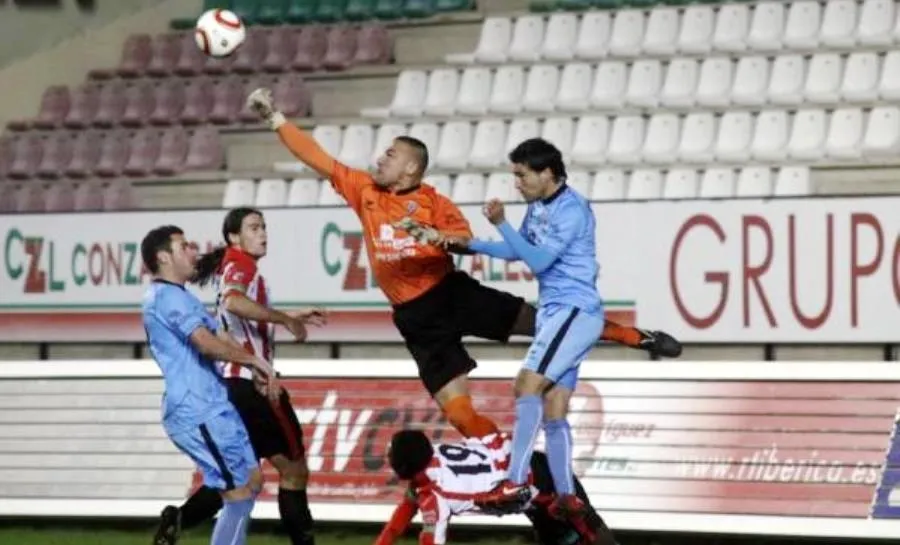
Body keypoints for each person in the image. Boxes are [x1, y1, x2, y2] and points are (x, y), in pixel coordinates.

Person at [245, 87, 681, 442]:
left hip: (451, 294)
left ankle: (632, 335)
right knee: (457, 413)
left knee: (546, 320)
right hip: (415, 318)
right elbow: (317, 157)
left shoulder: (435, 202)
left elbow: (460, 240)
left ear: (411, 167)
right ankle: (510, 464)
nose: (379, 160)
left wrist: (436, 239)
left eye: (390, 155)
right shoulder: (364, 190)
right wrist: (274, 118)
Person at [447, 139, 605, 521]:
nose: (516, 183)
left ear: (547, 172)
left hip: (573, 310)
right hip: (560, 313)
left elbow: (537, 261)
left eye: (521, 175)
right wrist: (469, 246)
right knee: (554, 407)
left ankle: (515, 482)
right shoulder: (539, 206)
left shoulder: (572, 209)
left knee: (525, 386)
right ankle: (568, 497)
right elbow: (519, 250)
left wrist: (500, 223)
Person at [153, 208, 326, 545]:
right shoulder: (242, 264)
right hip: (253, 387)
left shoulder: (233, 265)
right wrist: (284, 320)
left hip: (232, 387)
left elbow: (235, 314)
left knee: (241, 476)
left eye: (264, 227)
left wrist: (289, 315)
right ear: (234, 237)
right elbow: (233, 303)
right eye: (254, 227)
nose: (263, 233)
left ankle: (179, 518)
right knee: (293, 471)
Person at [141, 224, 278, 545]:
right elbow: (205, 343)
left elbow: (220, 335)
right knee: (238, 491)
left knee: (251, 481)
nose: (193, 250)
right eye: (183, 246)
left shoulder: (183, 297)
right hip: (196, 408)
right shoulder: (164, 298)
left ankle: (180, 523)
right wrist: (254, 362)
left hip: (215, 403)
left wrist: (253, 364)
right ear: (163, 257)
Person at [375, 429, 618, 545]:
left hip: (541, 491)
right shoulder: (434, 455)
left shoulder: (434, 496)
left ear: (405, 468)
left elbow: (429, 539)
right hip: (533, 470)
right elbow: (408, 505)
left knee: (590, 535)